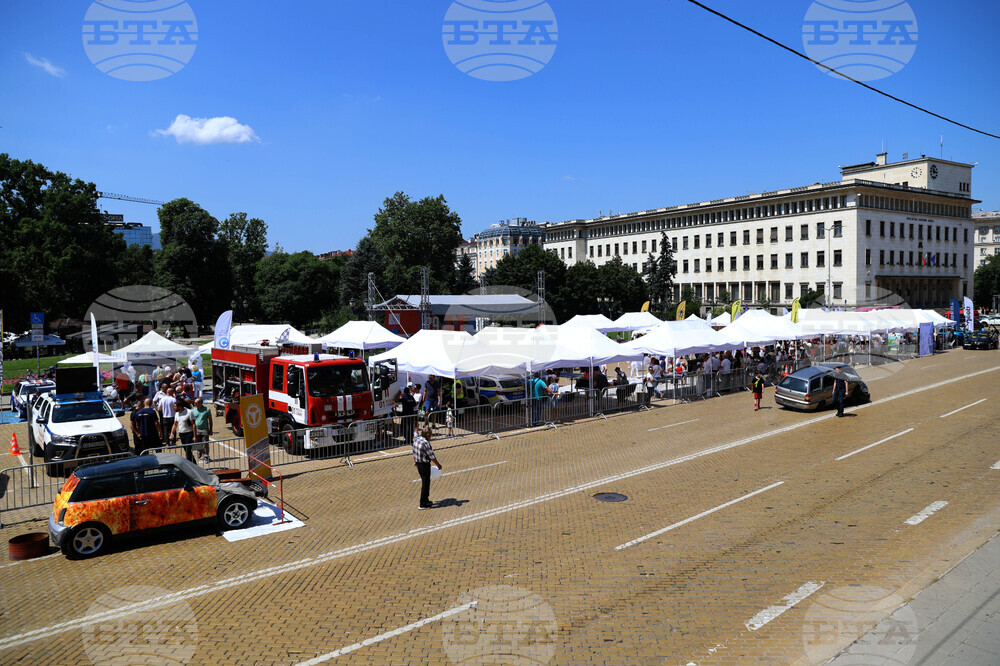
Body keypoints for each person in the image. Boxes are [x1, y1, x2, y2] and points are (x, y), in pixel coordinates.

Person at [412, 426, 442, 510]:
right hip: (424, 465)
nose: (431, 436)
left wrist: (415, 460)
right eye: (431, 434)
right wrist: (438, 465)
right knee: (425, 483)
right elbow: (432, 456)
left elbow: (414, 451)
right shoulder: (425, 443)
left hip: (419, 463)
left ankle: (426, 500)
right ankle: (423, 504)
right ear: (428, 435)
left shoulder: (417, 439)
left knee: (425, 481)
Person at [191, 397, 213, 462]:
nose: (194, 404)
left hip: (204, 429)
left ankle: (206, 456)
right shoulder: (193, 411)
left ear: (200, 403)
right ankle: (200, 452)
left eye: (196, 403)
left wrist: (211, 429)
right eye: (194, 403)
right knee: (197, 443)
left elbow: (210, 420)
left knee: (205, 443)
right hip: (196, 429)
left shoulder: (207, 410)